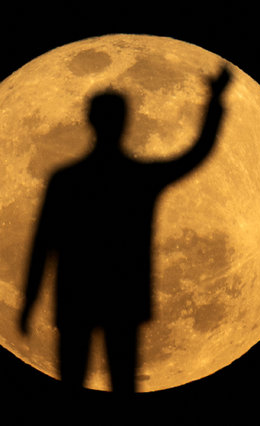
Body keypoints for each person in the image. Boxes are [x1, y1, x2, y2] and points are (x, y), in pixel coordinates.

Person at [20, 66, 231, 393]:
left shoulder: (68, 181)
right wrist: (215, 101)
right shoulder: (138, 179)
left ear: (90, 120)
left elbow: (43, 246)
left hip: (80, 297)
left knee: (77, 379)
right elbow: (196, 154)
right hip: (120, 297)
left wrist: (30, 302)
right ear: (123, 123)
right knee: (122, 383)